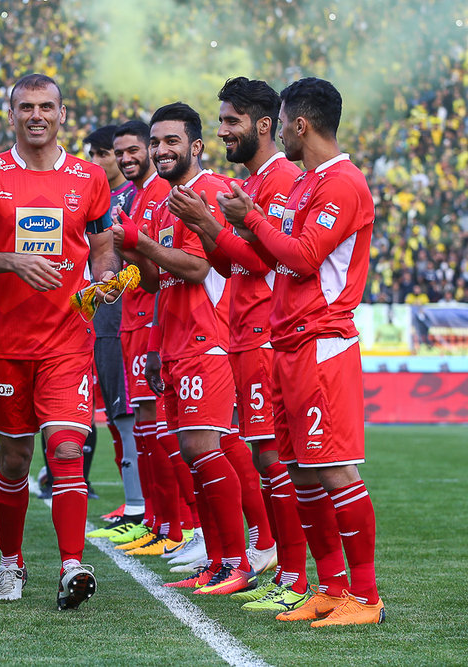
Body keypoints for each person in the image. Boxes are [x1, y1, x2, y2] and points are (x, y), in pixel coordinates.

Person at [0, 74, 119, 610]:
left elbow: (103, 241)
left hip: (68, 340)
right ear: (12, 114)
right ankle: (11, 563)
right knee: (15, 460)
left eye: (46, 106)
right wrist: (10, 260)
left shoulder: (89, 177)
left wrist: (104, 275)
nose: (36, 115)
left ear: (61, 114)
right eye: (26, 107)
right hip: (3, 346)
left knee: (66, 448)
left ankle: (71, 565)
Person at [217, 77, 383, 626]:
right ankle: (332, 588)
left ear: (300, 125)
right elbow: (279, 247)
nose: (280, 130)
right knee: (304, 473)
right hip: (288, 341)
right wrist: (253, 220)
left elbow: (305, 257)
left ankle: (365, 596)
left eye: (283, 120)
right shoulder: (312, 183)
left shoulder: (343, 184)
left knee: (335, 473)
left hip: (322, 343)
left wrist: (251, 220)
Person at [168, 76, 309, 612]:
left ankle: (291, 574)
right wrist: (210, 228)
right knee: (265, 454)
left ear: (263, 125)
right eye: (221, 120)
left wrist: (209, 222)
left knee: (274, 457)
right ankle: (273, 567)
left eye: (231, 121)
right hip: (244, 330)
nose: (223, 130)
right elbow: (228, 263)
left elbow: (263, 260)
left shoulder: (282, 180)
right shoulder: (253, 182)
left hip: (268, 332)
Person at [115, 102, 253, 595]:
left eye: (171, 141)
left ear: (195, 146)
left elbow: (199, 269)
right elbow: (158, 282)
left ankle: (240, 559)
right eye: (156, 143)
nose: (160, 150)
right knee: (191, 454)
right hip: (174, 342)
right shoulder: (173, 199)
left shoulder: (209, 192)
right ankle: (217, 560)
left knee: (203, 449)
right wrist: (134, 249)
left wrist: (143, 243)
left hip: (207, 340)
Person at [80, 124, 142, 515]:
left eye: (100, 154)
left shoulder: (132, 196)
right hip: (105, 318)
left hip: (126, 317)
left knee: (131, 413)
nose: (97, 162)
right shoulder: (99, 199)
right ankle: (135, 504)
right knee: (117, 413)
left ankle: (142, 506)